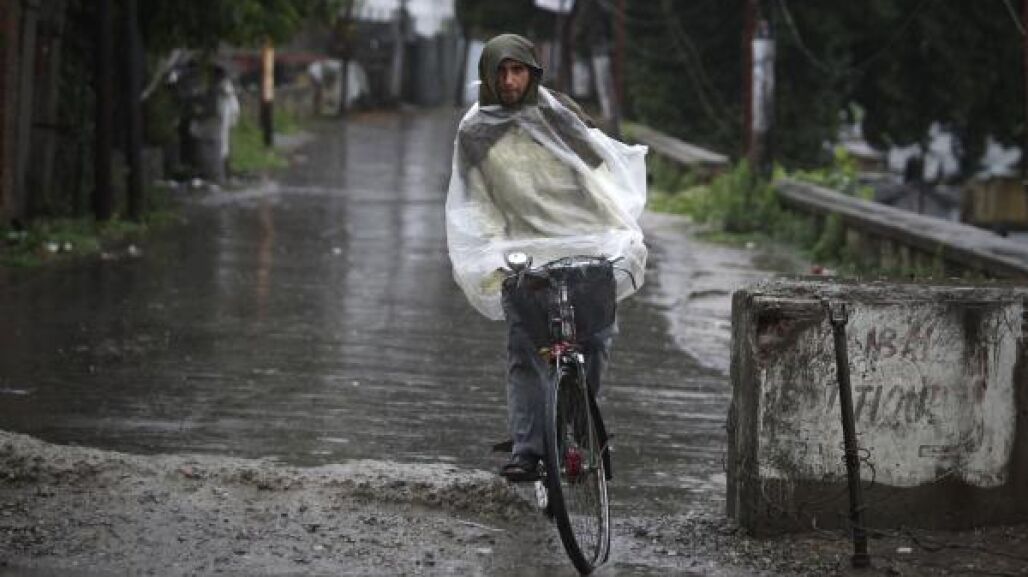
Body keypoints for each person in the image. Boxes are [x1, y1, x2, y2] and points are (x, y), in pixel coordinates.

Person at [445, 34, 648, 481]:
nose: (509, 81)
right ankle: (527, 451)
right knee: (526, 350)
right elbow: (477, 201)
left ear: (532, 73)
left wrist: (614, 234)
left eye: (518, 70)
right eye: (501, 72)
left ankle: (578, 417)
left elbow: (599, 177)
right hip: (522, 251)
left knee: (596, 338)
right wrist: (492, 251)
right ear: (487, 77)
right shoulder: (476, 133)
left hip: (582, 240)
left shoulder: (559, 114)